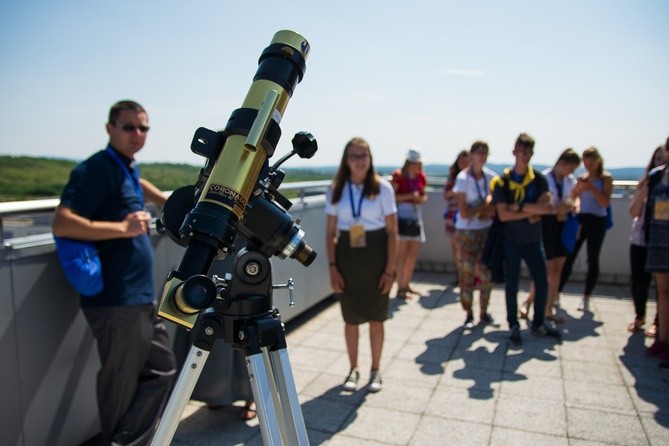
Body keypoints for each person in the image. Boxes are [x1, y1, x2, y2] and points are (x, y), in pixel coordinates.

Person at [52, 100, 177, 445]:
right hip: (115, 301)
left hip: (139, 298)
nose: (137, 134)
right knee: (120, 386)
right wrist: (121, 229)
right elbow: (62, 221)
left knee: (164, 369)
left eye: (144, 128)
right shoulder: (96, 169)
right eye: (129, 127)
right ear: (110, 129)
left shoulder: (127, 168)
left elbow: (149, 191)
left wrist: (178, 204)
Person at [325, 137, 398, 393]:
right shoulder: (336, 189)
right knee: (351, 319)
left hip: (377, 256)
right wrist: (333, 267)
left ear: (370, 158)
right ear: (346, 160)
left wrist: (390, 270)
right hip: (347, 257)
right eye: (355, 156)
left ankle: (376, 370)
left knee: (377, 319)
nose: (360, 161)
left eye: (364, 155)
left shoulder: (383, 188)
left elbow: (392, 232)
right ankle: (353, 369)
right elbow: (331, 233)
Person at [491, 132, 561, 345]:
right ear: (514, 152)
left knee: (542, 282)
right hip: (511, 240)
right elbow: (503, 214)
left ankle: (538, 323)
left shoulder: (538, 180)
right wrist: (532, 211)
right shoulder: (503, 181)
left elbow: (548, 209)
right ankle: (513, 325)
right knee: (512, 285)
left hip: (533, 240)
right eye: (520, 151)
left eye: (527, 152)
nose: (523, 156)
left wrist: (519, 207)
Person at [520, 149, 581, 323]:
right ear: (561, 163)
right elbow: (542, 203)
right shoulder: (545, 178)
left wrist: (572, 205)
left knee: (557, 268)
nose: (571, 172)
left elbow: (575, 198)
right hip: (547, 224)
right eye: (570, 167)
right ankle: (529, 300)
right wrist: (556, 207)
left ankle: (549, 307)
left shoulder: (570, 180)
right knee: (545, 268)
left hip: (563, 224)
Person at [559, 147, 614, 311]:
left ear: (598, 161)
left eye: (591, 162)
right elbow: (574, 199)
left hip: (598, 220)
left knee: (592, 258)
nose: (588, 166)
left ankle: (586, 297)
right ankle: (557, 292)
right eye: (586, 163)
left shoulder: (606, 178)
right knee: (569, 256)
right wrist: (576, 192)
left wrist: (592, 187)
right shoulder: (581, 178)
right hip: (581, 219)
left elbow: (605, 202)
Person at [452, 140, 498, 328]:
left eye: (485, 152)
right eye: (478, 152)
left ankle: (484, 311)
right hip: (466, 232)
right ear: (471, 155)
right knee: (467, 273)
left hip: (485, 230)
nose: (482, 155)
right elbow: (463, 212)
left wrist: (483, 209)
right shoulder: (463, 178)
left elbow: (495, 205)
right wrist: (484, 207)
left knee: (487, 273)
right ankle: (469, 313)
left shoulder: (491, 178)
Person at [632, 139, 669, 368]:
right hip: (657, 241)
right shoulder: (655, 176)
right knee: (663, 293)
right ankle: (662, 341)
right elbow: (636, 210)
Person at [627, 146, 666, 335]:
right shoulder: (646, 183)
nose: (661, 161)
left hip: (661, 242)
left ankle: (658, 322)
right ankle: (639, 316)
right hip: (640, 239)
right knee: (638, 282)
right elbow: (633, 212)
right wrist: (646, 189)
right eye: (658, 158)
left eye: (664, 158)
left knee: (662, 288)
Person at [391, 148, 428, 300]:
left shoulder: (421, 177)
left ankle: (406, 284)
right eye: (412, 163)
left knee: (412, 254)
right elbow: (392, 197)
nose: (414, 165)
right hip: (402, 217)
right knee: (401, 255)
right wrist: (409, 196)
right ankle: (400, 288)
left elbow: (424, 196)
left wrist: (419, 199)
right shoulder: (398, 176)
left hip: (416, 216)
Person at [444, 150, 470, 285]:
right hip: (453, 216)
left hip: (470, 218)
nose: (464, 164)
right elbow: (446, 195)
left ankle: (469, 275)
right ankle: (460, 275)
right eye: (461, 161)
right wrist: (456, 192)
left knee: (469, 248)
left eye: (466, 161)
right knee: (456, 248)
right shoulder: (453, 178)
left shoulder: (474, 177)